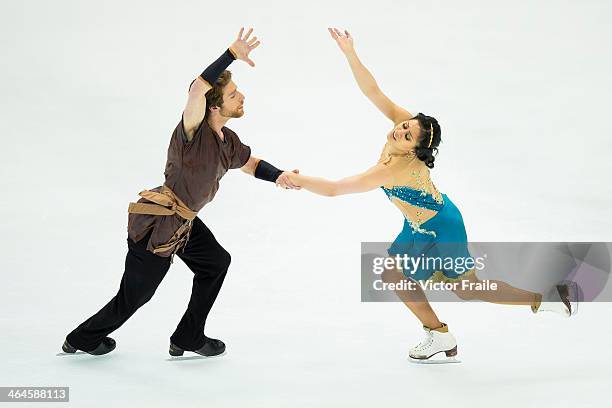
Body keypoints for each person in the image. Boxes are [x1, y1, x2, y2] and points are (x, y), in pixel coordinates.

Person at [286, 28, 578, 363]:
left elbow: (338, 188)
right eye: (405, 126)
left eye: (408, 135)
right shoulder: (401, 129)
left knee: (466, 288)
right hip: (421, 224)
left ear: (415, 150)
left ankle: (545, 300)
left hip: (441, 229)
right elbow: (373, 92)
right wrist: (350, 52)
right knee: (392, 273)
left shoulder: (395, 168)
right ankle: (439, 334)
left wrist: (299, 180)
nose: (401, 129)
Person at [62, 27, 299, 357]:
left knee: (215, 263)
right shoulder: (191, 131)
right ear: (213, 107)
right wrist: (231, 53)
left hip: (185, 223)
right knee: (135, 296)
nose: (241, 97)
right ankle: (81, 339)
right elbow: (196, 89)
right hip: (158, 225)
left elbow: (250, 163)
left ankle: (188, 335)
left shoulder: (227, 141)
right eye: (233, 95)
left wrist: (279, 176)